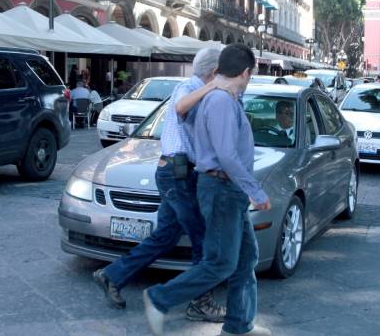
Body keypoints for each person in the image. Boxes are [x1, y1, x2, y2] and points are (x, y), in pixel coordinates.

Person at [143, 44, 272, 336]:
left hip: (227, 190)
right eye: (250, 75)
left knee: (245, 259)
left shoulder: (222, 97)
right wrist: (256, 191)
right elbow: (226, 154)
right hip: (223, 188)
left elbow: (184, 112)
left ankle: (239, 325)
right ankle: (159, 298)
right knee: (221, 263)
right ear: (245, 72)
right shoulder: (222, 101)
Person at [93, 48, 226, 323]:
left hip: (177, 174)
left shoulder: (201, 91)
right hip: (178, 175)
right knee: (202, 236)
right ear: (213, 72)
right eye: (222, 72)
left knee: (165, 236)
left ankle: (112, 275)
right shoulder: (188, 87)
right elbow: (180, 107)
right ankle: (200, 301)